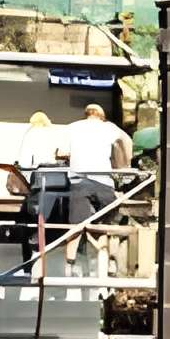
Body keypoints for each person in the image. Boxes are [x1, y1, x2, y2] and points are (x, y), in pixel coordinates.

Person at [58, 101, 130, 267]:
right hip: (103, 182)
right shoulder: (109, 127)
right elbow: (126, 140)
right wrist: (125, 162)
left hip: (79, 180)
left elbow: (61, 152)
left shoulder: (72, 127)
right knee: (112, 217)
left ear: (86, 114)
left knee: (76, 223)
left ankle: (70, 259)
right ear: (102, 116)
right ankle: (108, 257)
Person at [15, 109, 68, 270]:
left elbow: (24, 163)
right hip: (60, 181)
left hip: (41, 181)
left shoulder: (30, 133)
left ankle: (27, 264)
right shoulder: (55, 133)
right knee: (56, 221)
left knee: (27, 218)